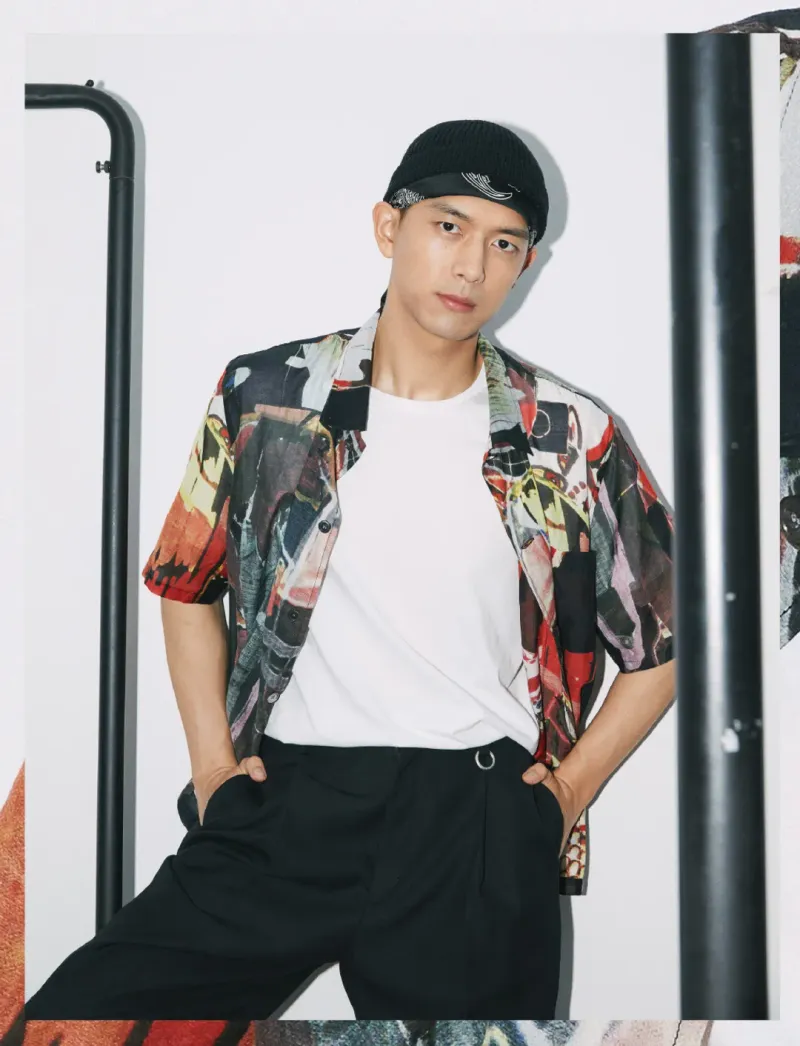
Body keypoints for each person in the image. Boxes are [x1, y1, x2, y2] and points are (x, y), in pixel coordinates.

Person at [24, 118, 676, 1021]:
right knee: (79, 1022)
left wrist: (563, 796)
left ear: (525, 265)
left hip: (475, 821)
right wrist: (213, 770)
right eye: (448, 225)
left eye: (503, 244)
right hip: (285, 801)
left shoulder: (569, 432)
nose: (471, 265)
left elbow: (668, 640)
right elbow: (184, 583)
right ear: (388, 227)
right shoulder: (266, 395)